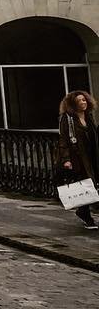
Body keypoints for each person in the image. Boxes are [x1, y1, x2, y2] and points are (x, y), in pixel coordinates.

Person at [57, 90, 99, 229]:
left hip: (92, 154)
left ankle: (83, 211)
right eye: (80, 101)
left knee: (91, 183)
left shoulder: (89, 116)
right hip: (78, 157)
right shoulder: (67, 118)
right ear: (73, 104)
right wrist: (66, 159)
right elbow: (63, 139)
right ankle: (85, 213)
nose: (84, 102)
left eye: (85, 100)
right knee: (86, 184)